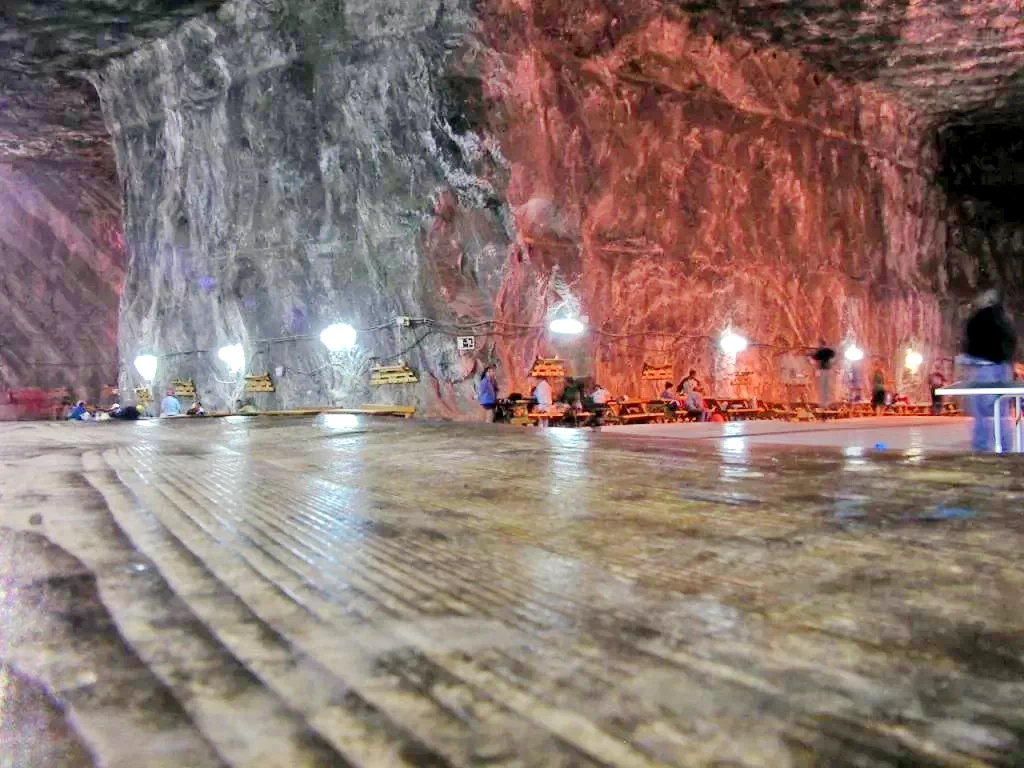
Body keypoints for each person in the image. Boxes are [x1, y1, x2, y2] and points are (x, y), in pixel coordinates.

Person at [961, 289, 1018, 451]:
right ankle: (1005, 449)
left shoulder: (979, 318)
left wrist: (968, 359)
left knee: (981, 413)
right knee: (1001, 412)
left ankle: (982, 448)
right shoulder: (1005, 319)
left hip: (984, 368)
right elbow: (1012, 343)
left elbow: (971, 342)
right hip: (1003, 368)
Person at [811, 341, 836, 407]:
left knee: (823, 387)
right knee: (827, 387)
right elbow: (833, 354)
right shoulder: (828, 351)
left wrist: (816, 351)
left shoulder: (821, 351)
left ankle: (824, 403)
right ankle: (827, 402)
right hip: (828, 370)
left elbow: (815, 357)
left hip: (823, 370)